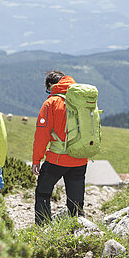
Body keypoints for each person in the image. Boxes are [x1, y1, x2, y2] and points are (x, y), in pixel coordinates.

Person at [32, 70, 88, 225]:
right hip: (80, 158)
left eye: (47, 89)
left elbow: (41, 135)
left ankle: (43, 229)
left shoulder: (51, 103)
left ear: (51, 85)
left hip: (57, 158)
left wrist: (37, 160)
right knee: (76, 201)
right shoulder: (82, 99)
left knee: (43, 193)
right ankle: (79, 230)